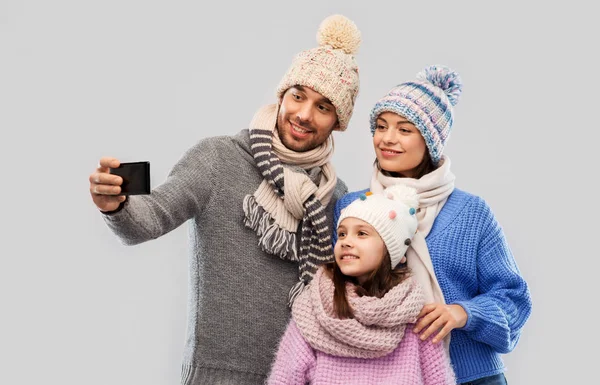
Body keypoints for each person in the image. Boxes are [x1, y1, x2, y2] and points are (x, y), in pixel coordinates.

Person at [88, 15, 361, 385]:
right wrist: (117, 205)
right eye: (298, 96)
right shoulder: (219, 159)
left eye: (323, 107)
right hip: (217, 377)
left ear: (337, 123)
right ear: (282, 96)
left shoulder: (337, 196)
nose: (303, 114)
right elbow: (150, 217)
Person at [333, 65, 532, 384]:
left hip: (471, 376)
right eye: (381, 126)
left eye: (404, 129)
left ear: (430, 141)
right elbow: (335, 295)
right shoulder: (353, 208)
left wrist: (463, 313)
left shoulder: (471, 212)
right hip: (383, 374)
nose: (387, 139)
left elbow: (513, 298)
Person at [267, 184, 456, 385]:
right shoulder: (314, 308)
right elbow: (284, 378)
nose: (346, 242)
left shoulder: (416, 317)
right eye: (342, 234)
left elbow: (439, 381)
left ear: (393, 250)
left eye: (361, 234)